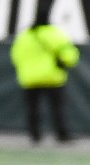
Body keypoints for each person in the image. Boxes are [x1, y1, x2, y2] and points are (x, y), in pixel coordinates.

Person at [10, 14, 77, 145]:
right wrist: (67, 63)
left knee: (32, 108)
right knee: (57, 108)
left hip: (29, 78)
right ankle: (61, 134)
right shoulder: (54, 33)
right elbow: (68, 53)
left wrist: (26, 69)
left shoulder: (24, 36)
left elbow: (15, 55)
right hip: (51, 77)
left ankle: (34, 135)